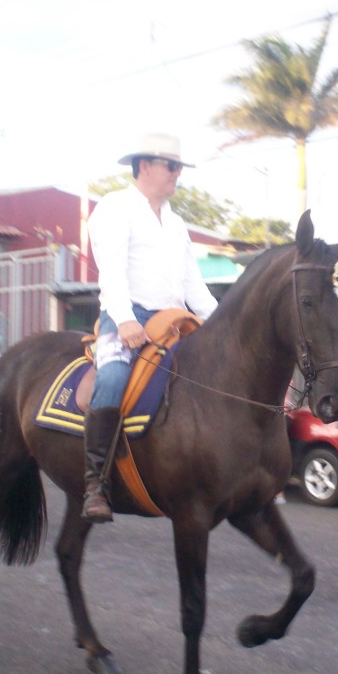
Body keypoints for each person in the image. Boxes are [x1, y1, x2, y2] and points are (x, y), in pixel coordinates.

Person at [82, 133, 219, 522]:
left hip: (174, 321)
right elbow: (112, 271)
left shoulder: (177, 223)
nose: (178, 174)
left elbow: (195, 286)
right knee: (111, 379)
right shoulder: (115, 208)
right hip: (129, 317)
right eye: (171, 166)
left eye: (179, 167)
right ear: (144, 167)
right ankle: (96, 483)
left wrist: (222, 325)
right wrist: (124, 319)